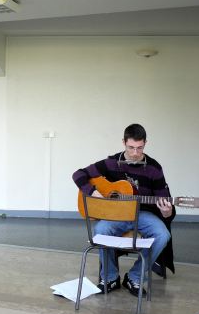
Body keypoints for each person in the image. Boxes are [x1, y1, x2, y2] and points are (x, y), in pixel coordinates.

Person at [72, 123, 174, 296]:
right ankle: (110, 277)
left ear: (145, 143)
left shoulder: (154, 168)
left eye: (139, 148)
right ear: (124, 142)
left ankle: (134, 277)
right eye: (131, 147)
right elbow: (78, 174)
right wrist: (93, 192)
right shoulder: (111, 162)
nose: (135, 153)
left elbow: (164, 200)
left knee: (163, 235)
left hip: (142, 214)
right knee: (100, 230)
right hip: (116, 215)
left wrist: (167, 211)